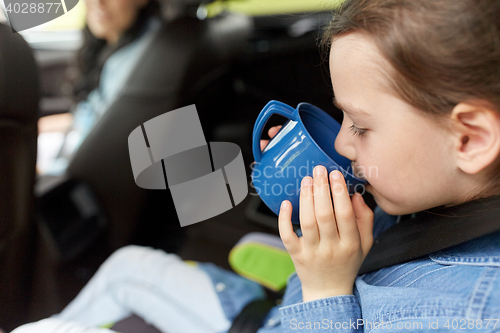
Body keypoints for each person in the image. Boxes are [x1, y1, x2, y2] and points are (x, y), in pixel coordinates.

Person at [15, 0, 500, 332]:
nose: (346, 142)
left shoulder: (467, 312)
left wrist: (325, 287)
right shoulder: (441, 201)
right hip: (275, 311)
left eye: (362, 127)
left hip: (304, 308)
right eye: (343, 118)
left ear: (470, 138)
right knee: (126, 265)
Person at [37, 0, 161, 174]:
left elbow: (102, 152)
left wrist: (41, 172)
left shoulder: (141, 61)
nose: (97, 2)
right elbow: (95, 117)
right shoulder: (120, 47)